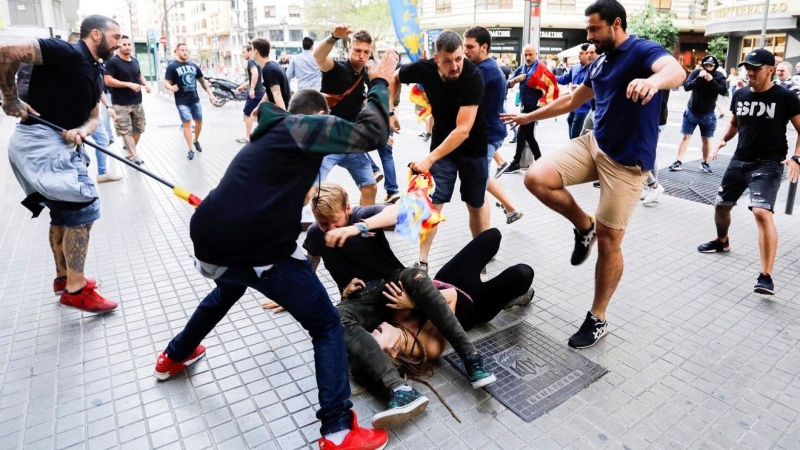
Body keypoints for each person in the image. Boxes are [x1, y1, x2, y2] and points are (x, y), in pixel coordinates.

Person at [152, 50, 402, 450]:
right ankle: (338, 431)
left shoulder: (272, 137)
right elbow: (370, 135)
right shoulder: (305, 129)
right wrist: (381, 82)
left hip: (213, 242)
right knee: (326, 325)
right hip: (256, 249)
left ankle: (174, 356)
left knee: (229, 287)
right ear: (318, 115)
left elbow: (273, 194)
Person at [501, 0, 686, 349]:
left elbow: (675, 70)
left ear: (616, 24)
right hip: (594, 143)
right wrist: (529, 118)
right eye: (587, 29)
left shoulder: (641, 49)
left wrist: (655, 82)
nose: (589, 36)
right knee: (535, 177)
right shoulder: (600, 60)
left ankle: (597, 317)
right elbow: (573, 100)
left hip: (627, 163)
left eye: (594, 29)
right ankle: (583, 226)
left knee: (610, 241)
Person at [277, 183, 504, 428]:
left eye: (335, 221)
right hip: (361, 301)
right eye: (323, 223)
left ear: (347, 208)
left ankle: (472, 359)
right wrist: (294, 294)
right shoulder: (314, 234)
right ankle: (400, 391)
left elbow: (405, 208)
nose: (330, 229)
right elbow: (310, 264)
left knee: (414, 275)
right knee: (334, 317)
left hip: (393, 286)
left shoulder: (360, 217)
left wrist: (357, 228)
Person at [1, 15, 122, 313]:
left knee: (63, 212)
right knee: (85, 208)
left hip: (60, 142)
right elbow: (6, 53)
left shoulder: (96, 69)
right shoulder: (66, 52)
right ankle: (76, 290)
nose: (119, 43)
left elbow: (94, 114)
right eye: (116, 37)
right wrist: (10, 99)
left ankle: (64, 278)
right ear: (96, 35)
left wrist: (83, 129)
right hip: (41, 142)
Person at [698, 49, 800, 296]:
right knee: (722, 206)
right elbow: (734, 122)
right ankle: (722, 242)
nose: (750, 72)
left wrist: (796, 158)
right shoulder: (741, 93)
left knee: (761, 212)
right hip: (739, 160)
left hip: (768, 163)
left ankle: (766, 275)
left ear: (771, 70)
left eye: (755, 68)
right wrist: (722, 139)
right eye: (748, 67)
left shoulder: (785, 97)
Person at [389, 30, 489, 273]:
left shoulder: (473, 76)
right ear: (436, 59)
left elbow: (463, 129)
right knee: (433, 204)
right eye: (448, 61)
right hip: (443, 151)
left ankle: (480, 256)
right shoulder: (423, 69)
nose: (455, 65)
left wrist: (429, 158)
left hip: (473, 150)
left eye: (458, 58)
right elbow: (394, 77)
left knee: (475, 205)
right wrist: (392, 110)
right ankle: (422, 262)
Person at [463, 26, 524, 225]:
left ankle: (485, 238)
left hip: (486, 136)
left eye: (470, 47)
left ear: (484, 47)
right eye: (465, 46)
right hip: (489, 134)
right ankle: (511, 209)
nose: (465, 51)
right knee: (483, 178)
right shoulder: (485, 68)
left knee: (478, 188)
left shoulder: (485, 71)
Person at [314, 25, 380, 206]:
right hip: (327, 141)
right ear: (349, 47)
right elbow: (318, 57)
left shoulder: (367, 75)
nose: (362, 55)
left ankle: (363, 228)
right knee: (311, 189)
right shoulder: (337, 69)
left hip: (351, 142)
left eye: (366, 52)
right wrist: (333, 37)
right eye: (358, 50)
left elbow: (373, 102)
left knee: (370, 186)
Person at [503, 45, 559, 174]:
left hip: (534, 108)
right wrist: (516, 80)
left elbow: (552, 84)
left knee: (522, 134)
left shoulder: (542, 69)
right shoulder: (521, 68)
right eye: (525, 55)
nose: (528, 57)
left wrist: (545, 103)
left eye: (530, 54)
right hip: (525, 106)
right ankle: (540, 162)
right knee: (529, 136)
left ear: (536, 54)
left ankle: (516, 162)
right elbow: (507, 83)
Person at [668, 55, 728, 173]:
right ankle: (678, 161)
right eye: (706, 65)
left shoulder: (719, 76)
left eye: (711, 65)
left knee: (706, 139)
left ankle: (705, 162)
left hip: (708, 113)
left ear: (715, 66)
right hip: (692, 111)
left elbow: (723, 90)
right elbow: (686, 86)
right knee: (685, 136)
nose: (708, 67)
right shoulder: (697, 72)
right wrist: (698, 79)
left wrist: (711, 80)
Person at [164, 43, 217, 160]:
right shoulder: (172, 66)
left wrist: (211, 95)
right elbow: (166, 82)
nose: (185, 52)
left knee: (199, 122)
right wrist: (170, 87)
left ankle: (196, 140)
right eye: (182, 50)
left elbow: (202, 81)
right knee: (187, 123)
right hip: (181, 101)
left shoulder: (193, 65)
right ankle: (190, 149)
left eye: (186, 50)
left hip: (194, 100)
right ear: (176, 51)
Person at [104, 35, 150, 165]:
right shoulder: (113, 62)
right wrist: (128, 84)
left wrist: (145, 84)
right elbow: (107, 80)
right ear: (119, 45)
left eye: (129, 44)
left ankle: (130, 151)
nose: (127, 47)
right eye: (124, 44)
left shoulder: (135, 61)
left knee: (139, 128)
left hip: (137, 101)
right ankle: (134, 155)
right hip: (120, 103)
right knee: (125, 130)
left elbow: (139, 75)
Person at [557, 43, 596, 139]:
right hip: (574, 107)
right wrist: (549, 77)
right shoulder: (575, 68)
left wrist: (580, 88)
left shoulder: (594, 69)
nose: (580, 55)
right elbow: (563, 79)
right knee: (575, 136)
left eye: (582, 53)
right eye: (583, 53)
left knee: (577, 137)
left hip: (585, 109)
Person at [234, 44, 265, 143]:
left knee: (248, 114)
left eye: (244, 52)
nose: (243, 54)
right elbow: (254, 78)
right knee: (260, 114)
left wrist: (251, 89)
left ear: (250, 51)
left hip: (255, 93)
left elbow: (255, 74)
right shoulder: (258, 62)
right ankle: (261, 136)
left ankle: (247, 137)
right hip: (261, 92)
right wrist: (243, 86)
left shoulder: (251, 62)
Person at [250, 38, 291, 113]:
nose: (251, 52)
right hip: (279, 111)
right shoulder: (274, 65)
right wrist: (258, 107)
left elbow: (277, 94)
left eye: (252, 50)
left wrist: (284, 117)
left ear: (256, 51)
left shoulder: (268, 70)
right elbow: (269, 90)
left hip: (279, 113)